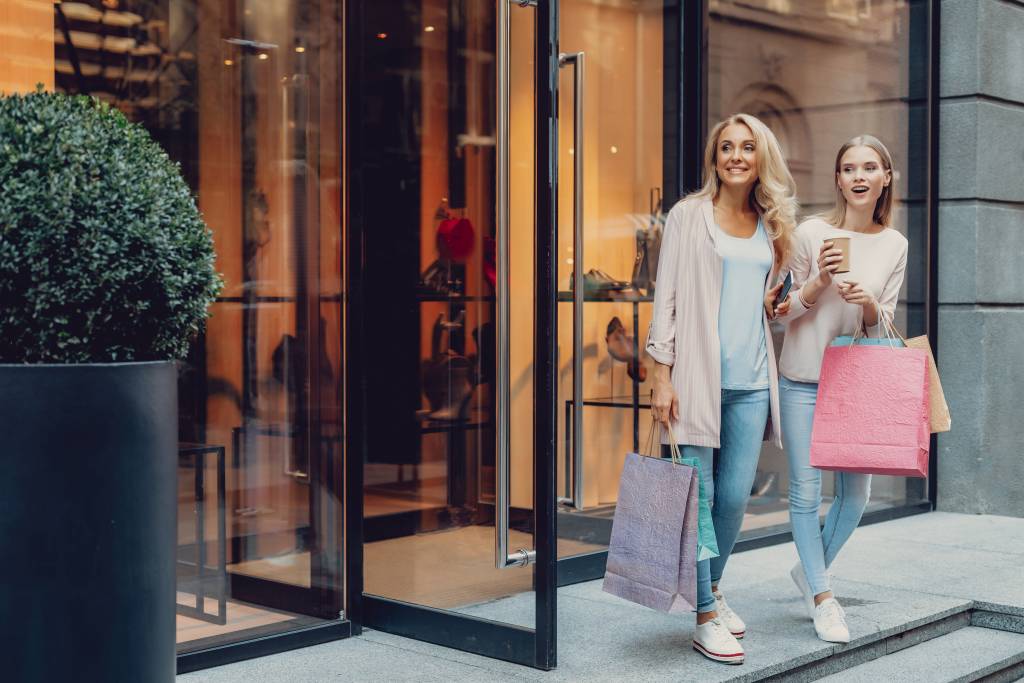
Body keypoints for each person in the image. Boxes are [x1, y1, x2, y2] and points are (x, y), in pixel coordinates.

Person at [647, 113, 797, 665]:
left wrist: (776, 303)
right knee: (699, 502)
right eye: (726, 147)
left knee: (734, 499)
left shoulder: (771, 223)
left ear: (762, 159)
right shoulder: (689, 216)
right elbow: (666, 295)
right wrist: (661, 372)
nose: (736, 156)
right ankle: (704, 615)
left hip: (753, 379)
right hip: (696, 380)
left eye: (747, 148)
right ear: (715, 158)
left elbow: (771, 298)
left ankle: (710, 590)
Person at [767, 135, 908, 644]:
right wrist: (818, 283)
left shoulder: (895, 244)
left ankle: (811, 571)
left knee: (857, 494)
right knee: (806, 493)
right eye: (849, 168)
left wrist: (868, 303)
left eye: (870, 167)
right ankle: (825, 600)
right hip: (802, 379)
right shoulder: (810, 233)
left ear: (885, 177)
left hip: (855, 384)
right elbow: (778, 309)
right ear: (838, 179)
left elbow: (881, 323)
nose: (859, 176)